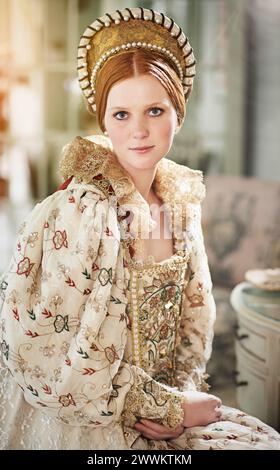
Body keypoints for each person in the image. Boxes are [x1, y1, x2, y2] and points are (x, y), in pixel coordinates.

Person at [0, 6, 279, 451]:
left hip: (167, 406)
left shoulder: (180, 200)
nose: (139, 132)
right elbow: (55, 356)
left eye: (154, 109)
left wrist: (181, 399)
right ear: (103, 121)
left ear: (178, 113)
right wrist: (168, 409)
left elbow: (192, 319)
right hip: (91, 418)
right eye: (121, 115)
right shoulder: (82, 211)